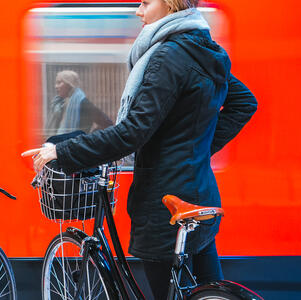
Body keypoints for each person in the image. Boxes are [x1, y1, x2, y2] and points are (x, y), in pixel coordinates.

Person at [22, 0, 257, 298]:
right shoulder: (203, 50)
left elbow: (132, 132)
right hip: (199, 189)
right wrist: (190, 151)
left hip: (165, 202)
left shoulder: (167, 57)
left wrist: (63, 151)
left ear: (170, 4)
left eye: (145, 2)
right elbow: (244, 102)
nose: (138, 11)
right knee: (207, 293)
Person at [44, 70, 114, 135]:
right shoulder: (59, 104)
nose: (56, 86)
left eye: (59, 83)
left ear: (69, 84)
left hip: (75, 145)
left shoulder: (82, 102)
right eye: (56, 83)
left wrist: (89, 137)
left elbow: (107, 124)